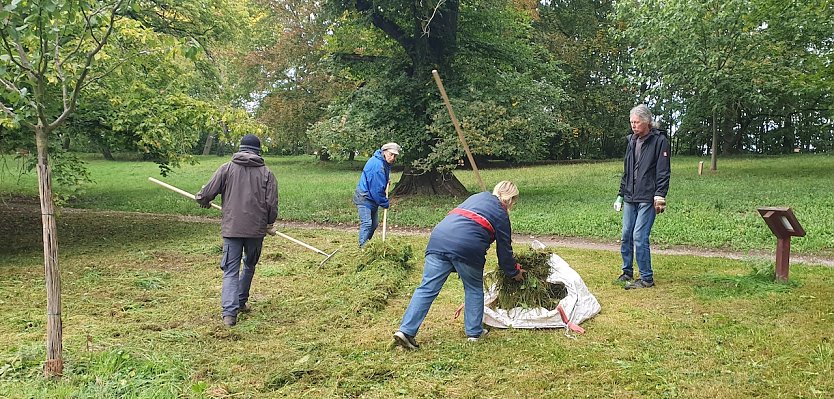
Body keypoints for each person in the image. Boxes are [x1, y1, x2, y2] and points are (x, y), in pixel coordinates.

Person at [393, 181, 525, 350]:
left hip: (439, 239)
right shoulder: (501, 214)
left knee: (427, 288)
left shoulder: (477, 197)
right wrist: (514, 272)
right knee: (473, 288)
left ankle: (406, 331)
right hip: (467, 246)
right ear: (511, 199)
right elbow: (504, 251)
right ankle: (474, 333)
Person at [195, 134, 278, 327]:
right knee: (249, 265)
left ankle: (229, 314)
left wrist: (203, 200)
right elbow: (271, 204)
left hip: (232, 228)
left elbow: (207, 193)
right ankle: (240, 302)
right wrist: (269, 223)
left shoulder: (226, 168)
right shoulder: (267, 173)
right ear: (258, 151)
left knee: (230, 270)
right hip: (256, 230)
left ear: (240, 148)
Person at [614, 104, 671, 290]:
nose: (633, 125)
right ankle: (627, 271)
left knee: (639, 236)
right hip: (630, 196)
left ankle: (646, 278)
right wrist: (620, 195)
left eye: (636, 122)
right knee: (626, 235)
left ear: (646, 122)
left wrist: (660, 195)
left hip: (647, 197)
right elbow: (627, 171)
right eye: (631, 122)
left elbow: (663, 171)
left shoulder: (659, 141)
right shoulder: (631, 141)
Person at [353, 142, 401, 247]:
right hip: (365, 197)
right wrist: (384, 202)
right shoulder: (377, 165)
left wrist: (386, 181)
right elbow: (376, 189)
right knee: (367, 224)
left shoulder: (384, 162)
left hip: (371, 198)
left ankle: (367, 244)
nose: (393, 157)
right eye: (391, 154)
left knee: (374, 225)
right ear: (384, 152)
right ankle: (363, 247)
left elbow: (380, 182)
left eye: (395, 155)